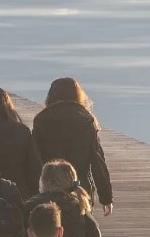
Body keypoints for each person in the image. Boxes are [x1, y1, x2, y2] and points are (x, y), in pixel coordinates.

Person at [32, 78, 113, 217]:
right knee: (81, 228)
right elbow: (97, 161)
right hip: (80, 188)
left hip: (48, 188)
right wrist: (106, 197)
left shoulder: (41, 120)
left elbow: (33, 158)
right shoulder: (86, 120)